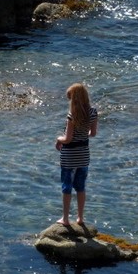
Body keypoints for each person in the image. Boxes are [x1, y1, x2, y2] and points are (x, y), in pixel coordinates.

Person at [55, 83, 98, 226]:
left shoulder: (71, 116)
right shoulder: (93, 112)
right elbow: (93, 134)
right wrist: (82, 135)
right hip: (84, 155)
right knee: (81, 187)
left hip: (69, 157)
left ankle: (65, 219)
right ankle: (80, 218)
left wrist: (58, 139)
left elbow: (67, 139)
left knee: (66, 187)